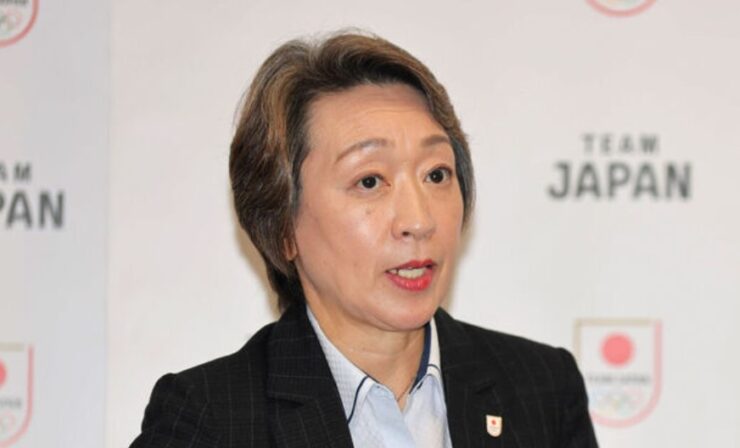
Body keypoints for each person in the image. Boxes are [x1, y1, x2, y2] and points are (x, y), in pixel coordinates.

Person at [130, 32, 598, 448]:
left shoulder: (540, 389)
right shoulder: (211, 419)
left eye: (436, 174)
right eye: (370, 181)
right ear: (282, 227)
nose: (418, 221)